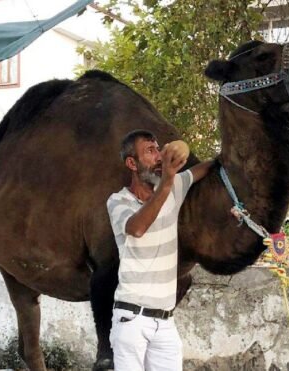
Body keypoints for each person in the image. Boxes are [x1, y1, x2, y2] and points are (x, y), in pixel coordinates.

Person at [106, 130, 214, 371]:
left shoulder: (174, 187)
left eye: (158, 149)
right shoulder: (118, 201)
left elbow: (209, 167)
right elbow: (136, 228)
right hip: (131, 320)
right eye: (149, 151)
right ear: (131, 163)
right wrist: (166, 182)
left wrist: (186, 148)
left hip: (165, 322)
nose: (158, 156)